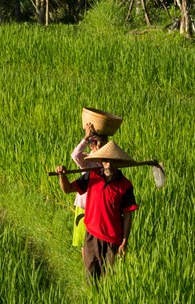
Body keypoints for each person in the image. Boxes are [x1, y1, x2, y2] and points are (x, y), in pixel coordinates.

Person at [57, 140, 138, 282]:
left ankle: (104, 303)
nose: (109, 164)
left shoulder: (125, 185)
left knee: (108, 280)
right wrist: (62, 176)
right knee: (91, 276)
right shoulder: (92, 176)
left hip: (112, 241)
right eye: (106, 160)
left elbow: (127, 214)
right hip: (91, 236)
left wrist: (125, 240)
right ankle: (91, 301)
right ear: (101, 160)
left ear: (118, 162)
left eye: (113, 161)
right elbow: (67, 189)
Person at [70, 108, 121, 248]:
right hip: (85, 204)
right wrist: (86, 138)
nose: (104, 148)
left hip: (99, 205)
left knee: (95, 238)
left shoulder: (106, 161)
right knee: (83, 240)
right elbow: (74, 155)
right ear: (92, 145)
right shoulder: (86, 159)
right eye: (100, 145)